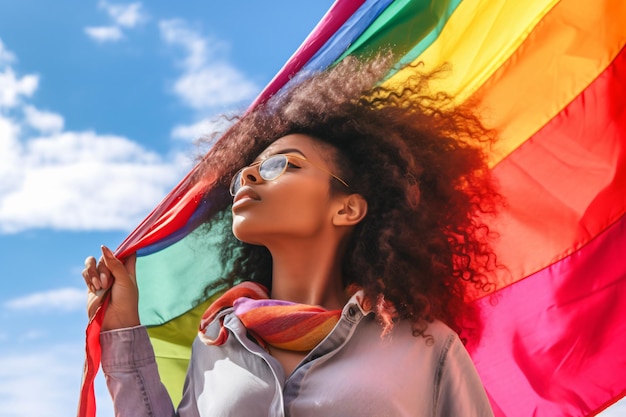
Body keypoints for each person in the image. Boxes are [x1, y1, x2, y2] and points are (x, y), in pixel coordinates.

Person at [83, 54, 499, 416]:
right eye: (248, 170)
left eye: (283, 165)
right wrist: (122, 323)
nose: (247, 174)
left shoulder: (427, 348)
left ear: (347, 207)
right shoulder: (215, 345)